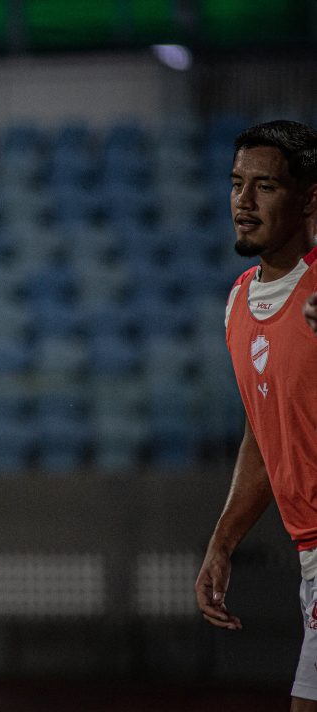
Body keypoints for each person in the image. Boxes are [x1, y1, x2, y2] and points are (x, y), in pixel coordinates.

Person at [196, 119, 317, 711]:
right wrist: (224, 541)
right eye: (236, 184)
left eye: (264, 187)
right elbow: (266, 428)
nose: (242, 203)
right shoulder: (239, 303)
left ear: (308, 199)